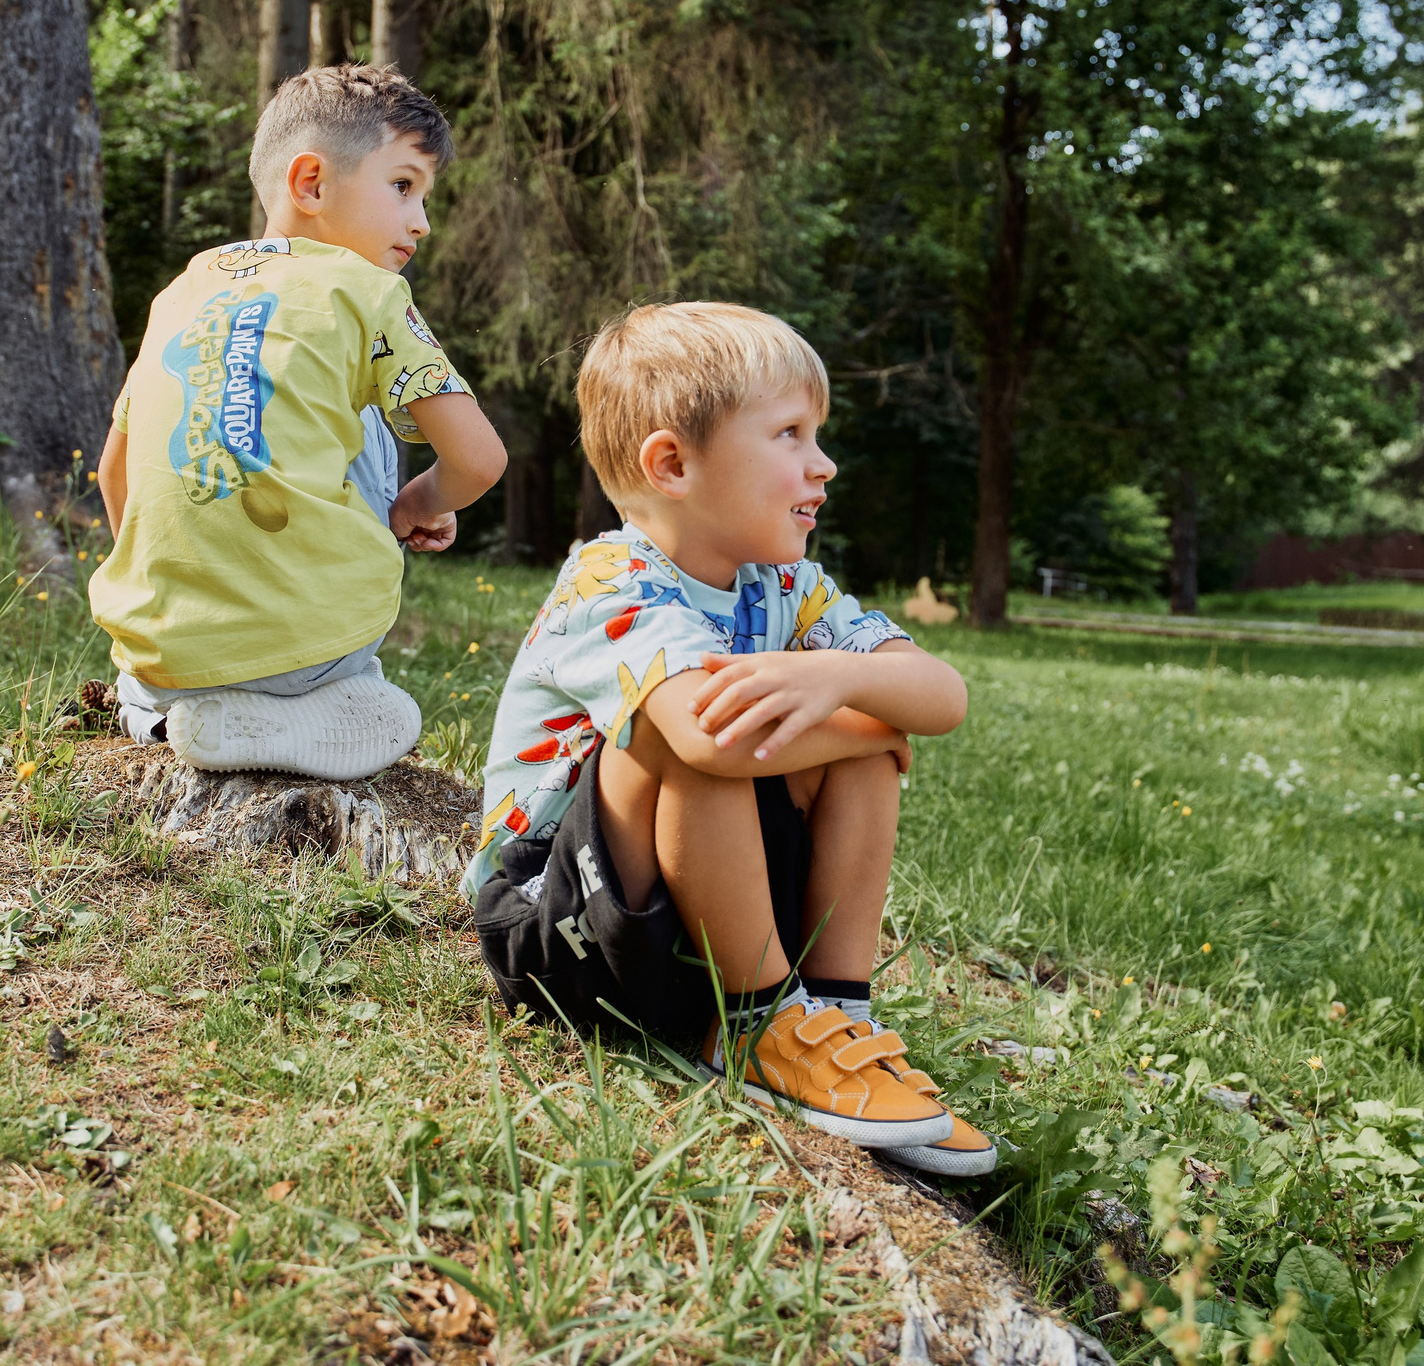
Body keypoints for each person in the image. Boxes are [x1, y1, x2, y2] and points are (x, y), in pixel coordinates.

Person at [466, 303, 989, 1174]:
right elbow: (705, 745)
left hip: (695, 923)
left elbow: (943, 694)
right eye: (789, 433)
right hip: (561, 928)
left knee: (857, 741)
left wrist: (842, 680)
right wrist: (866, 729)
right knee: (683, 734)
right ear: (672, 462)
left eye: (817, 434)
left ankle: (829, 1016)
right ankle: (755, 1029)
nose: (823, 464)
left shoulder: (787, 582)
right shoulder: (612, 580)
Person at [89, 65, 505, 781]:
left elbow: (112, 474)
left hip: (155, 654)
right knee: (374, 394)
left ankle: (160, 710)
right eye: (404, 185)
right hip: (305, 649)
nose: (421, 221)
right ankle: (317, 701)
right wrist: (416, 504)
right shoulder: (371, 291)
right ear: (310, 183)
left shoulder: (183, 289)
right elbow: (477, 461)